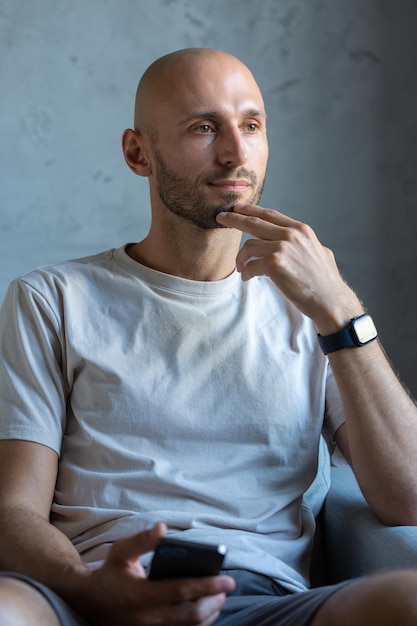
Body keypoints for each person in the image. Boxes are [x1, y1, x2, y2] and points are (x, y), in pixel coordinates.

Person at [0, 47, 417, 626]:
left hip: (260, 602)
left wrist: (339, 308)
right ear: (137, 152)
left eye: (251, 125)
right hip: (89, 595)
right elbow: (12, 510)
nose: (235, 153)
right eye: (204, 127)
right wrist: (87, 587)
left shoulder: (311, 309)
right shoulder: (52, 299)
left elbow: (410, 498)